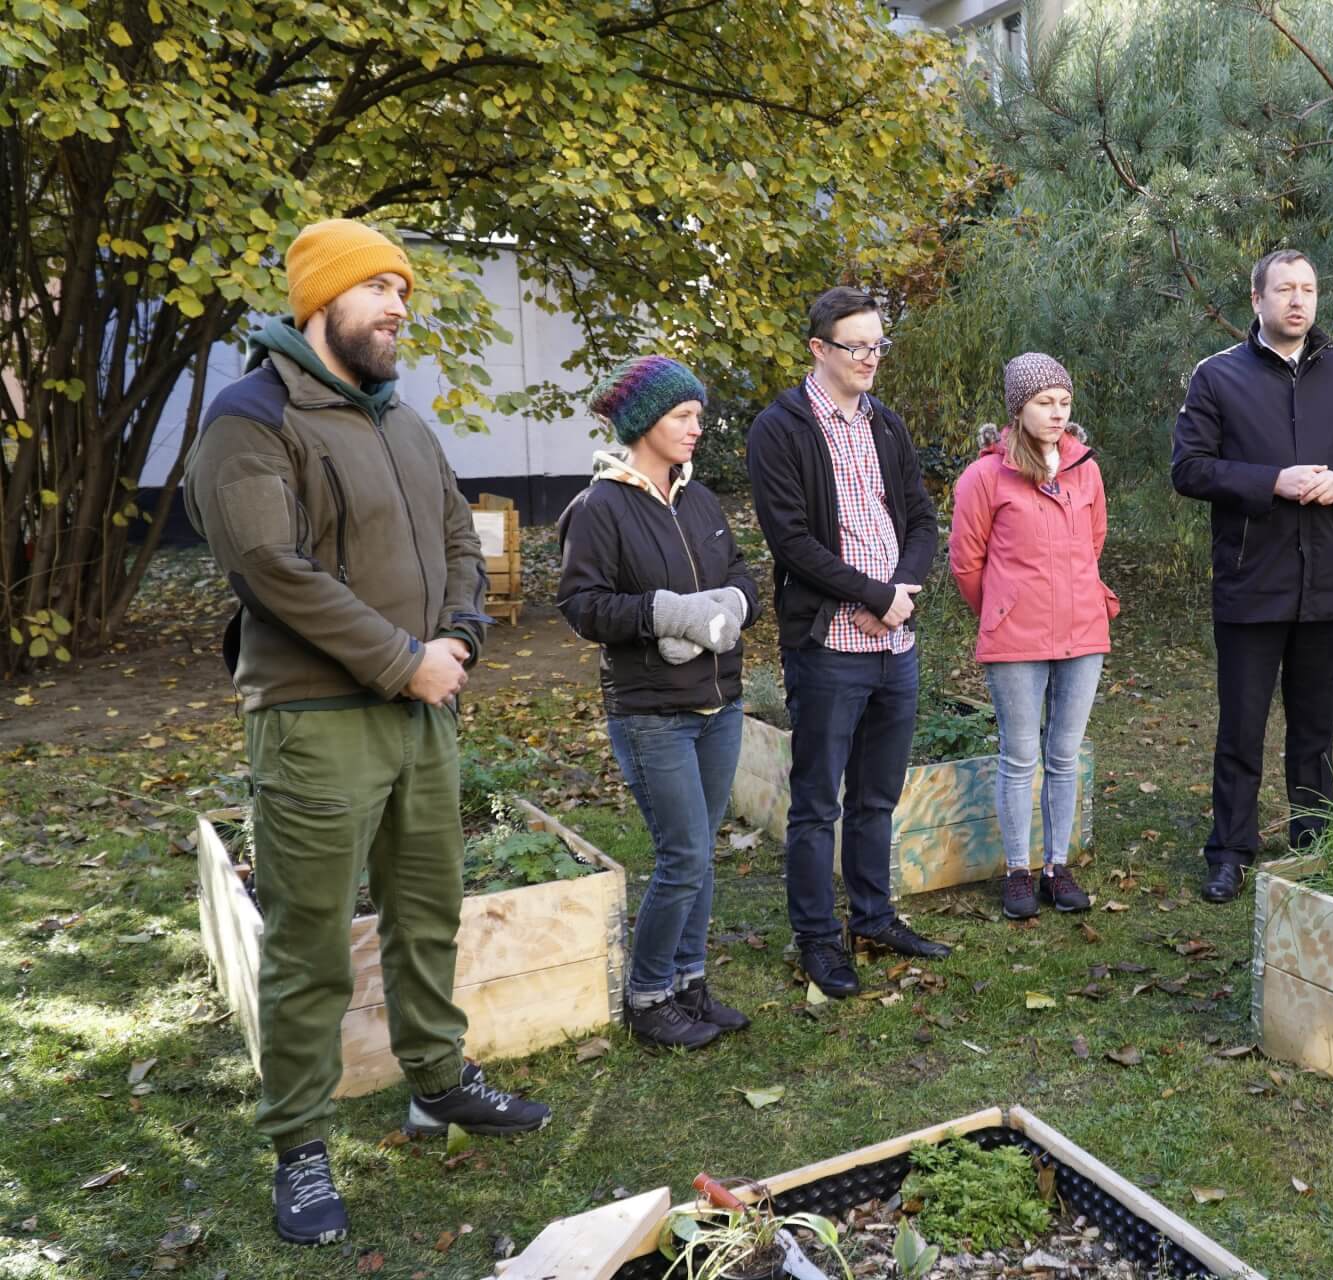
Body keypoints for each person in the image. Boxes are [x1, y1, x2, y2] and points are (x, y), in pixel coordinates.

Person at [184, 219, 549, 1247]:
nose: (400, 306)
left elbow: (457, 537)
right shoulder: (253, 419)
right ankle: (299, 1144)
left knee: (428, 911)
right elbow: (270, 568)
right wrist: (401, 657)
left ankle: (436, 1081)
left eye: (404, 288)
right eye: (379, 287)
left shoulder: (401, 421)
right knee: (308, 945)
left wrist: (461, 636)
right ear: (320, 300)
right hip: (317, 724)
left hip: (425, 712)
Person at [1171, 249, 1333, 904]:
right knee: (1242, 727)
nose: (1298, 300)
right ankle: (1230, 851)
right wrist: (1271, 482)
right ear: (1256, 299)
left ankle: (1314, 842)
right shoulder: (1218, 378)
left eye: (1309, 289)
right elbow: (1189, 469)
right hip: (1251, 580)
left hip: (1327, 580)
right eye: (1285, 289)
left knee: (1315, 727)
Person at [746, 286, 949, 998]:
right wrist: (871, 598)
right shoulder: (781, 428)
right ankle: (817, 940)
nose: (870, 359)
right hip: (827, 646)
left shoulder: (885, 424)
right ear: (819, 349)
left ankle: (873, 917)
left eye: (877, 346)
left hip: (894, 646)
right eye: (857, 346)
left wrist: (898, 596)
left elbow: (923, 520)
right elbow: (792, 542)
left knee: (877, 797)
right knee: (816, 804)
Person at [556, 356, 760, 1049]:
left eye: (698, 415)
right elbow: (582, 607)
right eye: (684, 416)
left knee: (700, 857)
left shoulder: (701, 501)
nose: (697, 428)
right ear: (645, 424)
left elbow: (742, 579)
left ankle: (688, 982)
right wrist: (665, 613)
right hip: (652, 715)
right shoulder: (599, 508)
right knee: (684, 856)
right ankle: (648, 996)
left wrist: (732, 604)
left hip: (720, 705)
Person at [949, 354, 1118, 919]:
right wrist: (1004, 608)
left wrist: (1072, 598)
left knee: (1064, 755)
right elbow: (966, 563)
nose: (1056, 412)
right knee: (1020, 756)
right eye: (1044, 402)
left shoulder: (1085, 469)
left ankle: (1056, 866)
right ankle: (1018, 871)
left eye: (1063, 401)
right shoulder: (983, 476)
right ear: (1017, 408)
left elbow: (1092, 545)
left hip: (1083, 633)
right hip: (1015, 639)